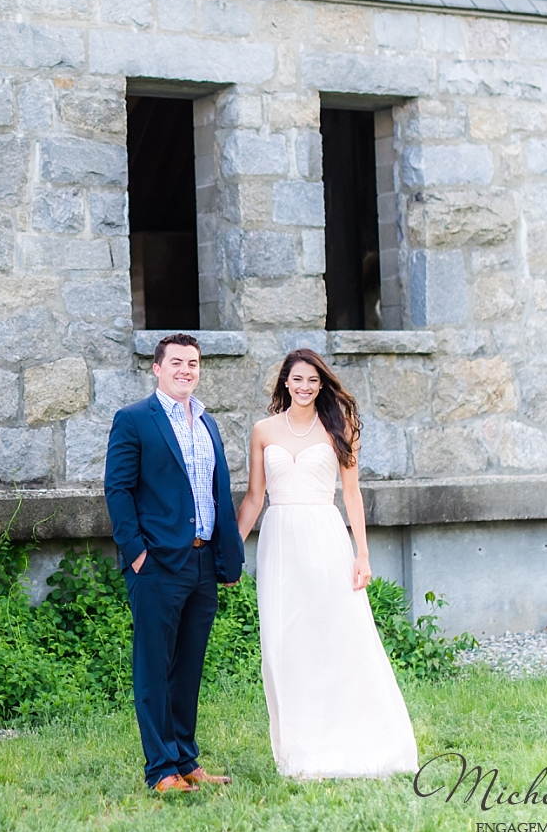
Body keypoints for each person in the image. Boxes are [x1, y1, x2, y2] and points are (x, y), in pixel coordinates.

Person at [236, 348, 418, 779]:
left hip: (325, 536)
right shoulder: (263, 431)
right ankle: (300, 751)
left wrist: (363, 553)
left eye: (313, 381)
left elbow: (352, 494)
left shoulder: (339, 428)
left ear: (321, 385)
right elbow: (253, 498)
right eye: (297, 380)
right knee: (285, 643)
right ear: (285, 382)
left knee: (338, 635)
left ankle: (363, 741)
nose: (305, 387)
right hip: (279, 541)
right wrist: (227, 552)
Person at [104, 333, 245, 794]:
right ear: (157, 368)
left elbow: (216, 492)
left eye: (194, 363)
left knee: (187, 668)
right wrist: (138, 552)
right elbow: (118, 490)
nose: (186, 370)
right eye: (177, 362)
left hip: (203, 562)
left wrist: (225, 556)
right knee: (154, 667)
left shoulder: (207, 423)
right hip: (158, 564)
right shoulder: (134, 421)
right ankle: (160, 769)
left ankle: (186, 760)